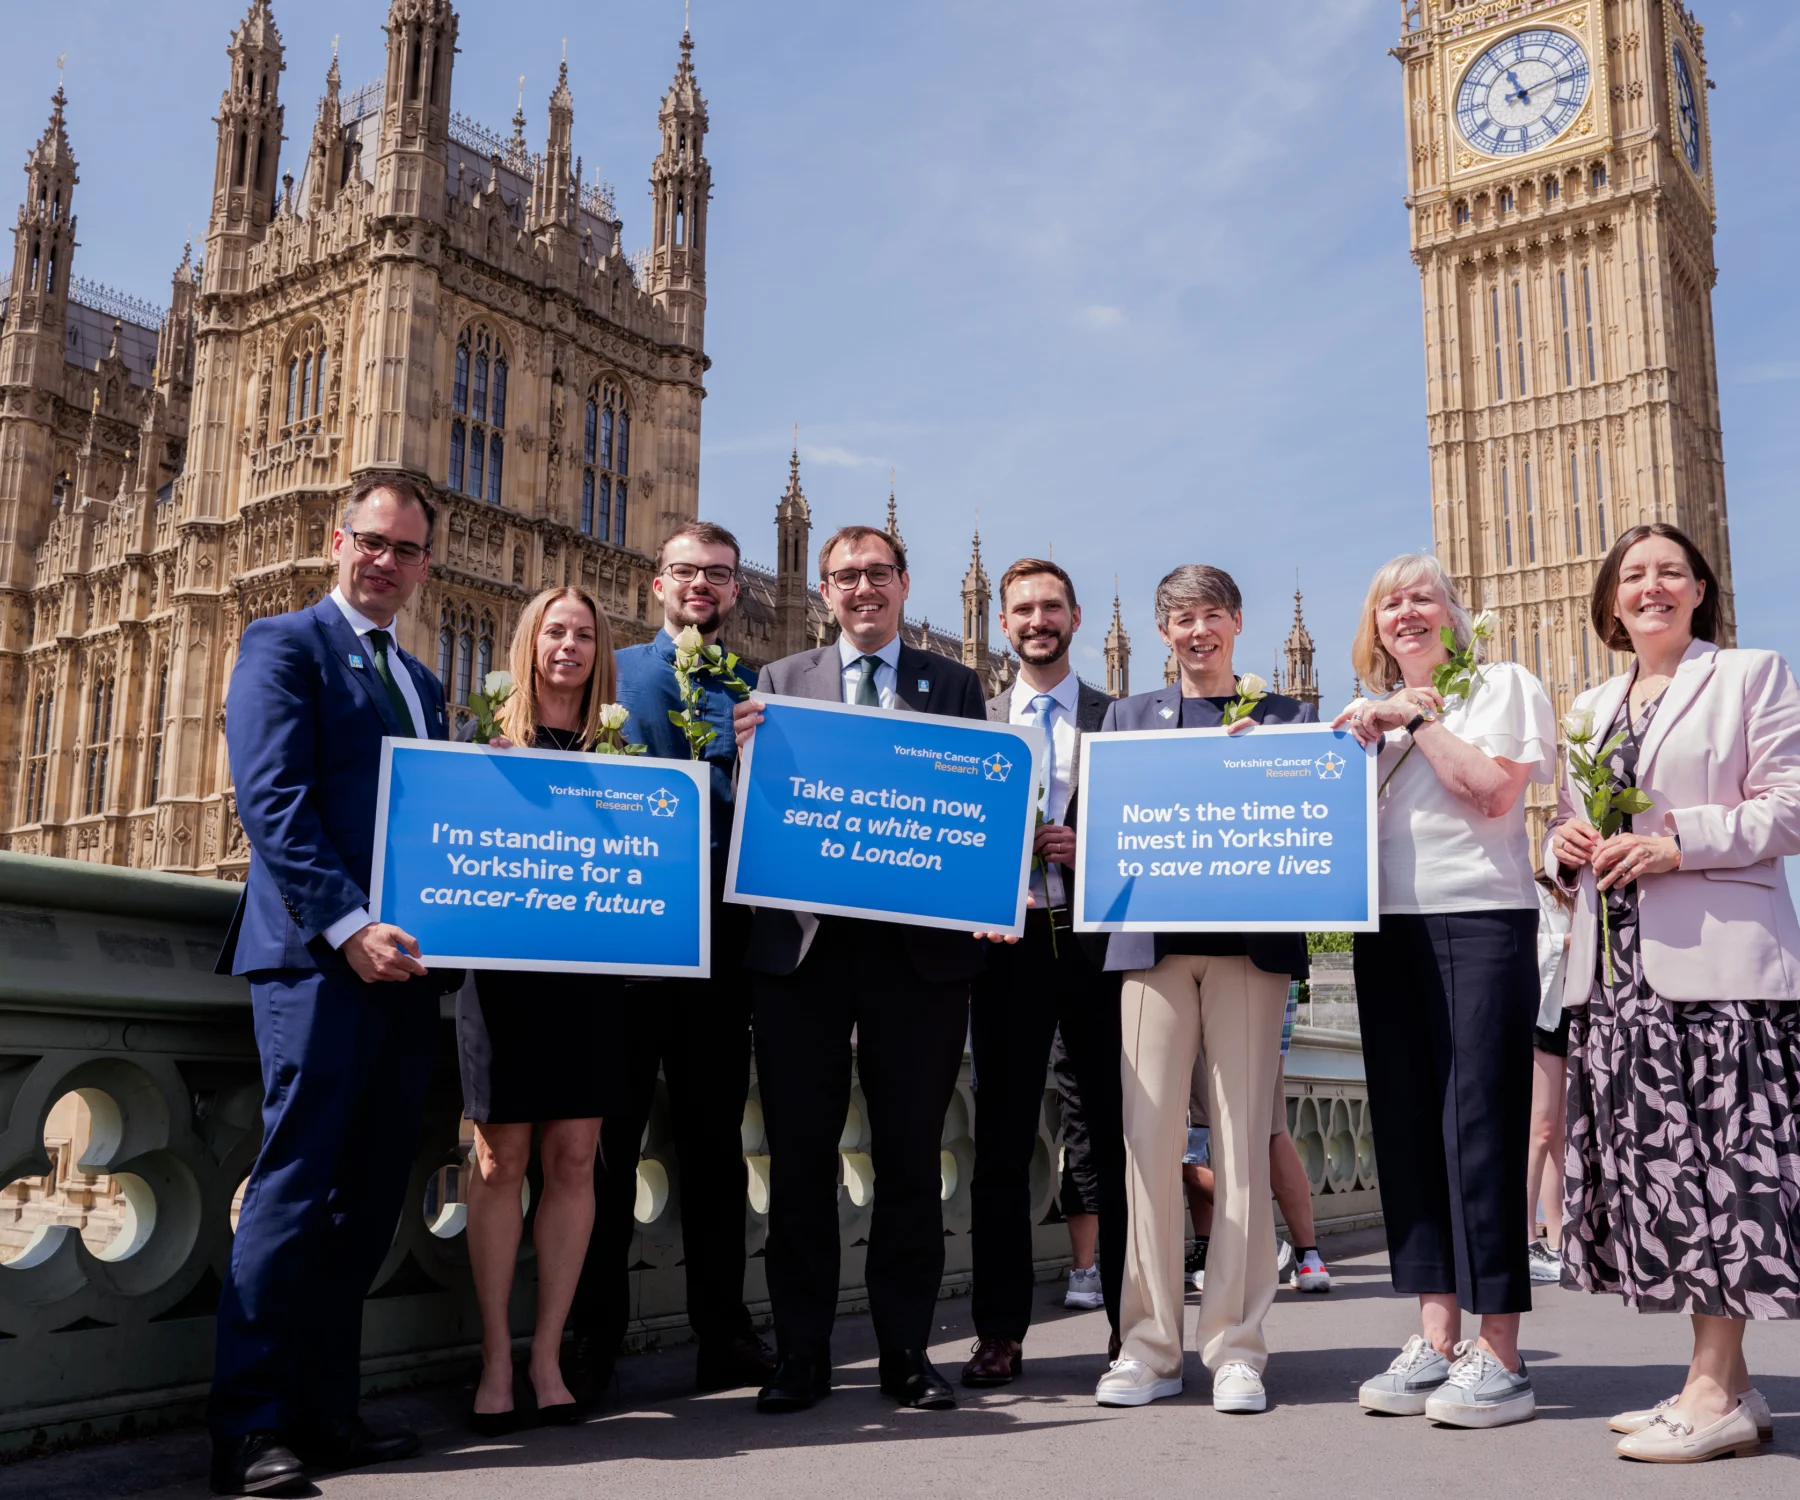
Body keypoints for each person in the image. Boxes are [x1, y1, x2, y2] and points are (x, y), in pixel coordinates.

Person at [209, 475, 457, 1496]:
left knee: (366, 1198)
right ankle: (246, 1429)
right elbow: (272, 802)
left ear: (426, 564)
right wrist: (349, 927)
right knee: (295, 1187)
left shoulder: (424, 682)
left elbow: (437, 822)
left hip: (403, 972)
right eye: (372, 542)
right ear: (335, 541)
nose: (386, 561)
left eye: (406, 549)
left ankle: (326, 1412)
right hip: (316, 961)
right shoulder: (283, 643)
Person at [1547, 523, 1800, 1463]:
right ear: (1612, 602)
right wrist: (1559, 847)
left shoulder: (1748, 674)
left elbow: (1793, 802)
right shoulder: (1591, 703)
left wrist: (1676, 841)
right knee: (1669, 1181)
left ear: (1700, 589)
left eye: (1670, 573)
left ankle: (1708, 1389)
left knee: (1722, 1178)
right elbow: (1574, 822)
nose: (1651, 588)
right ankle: (1731, 1389)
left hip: (1720, 971)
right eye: (1633, 576)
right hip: (1617, 977)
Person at [732, 524, 986, 1414]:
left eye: (878, 573)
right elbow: (757, 811)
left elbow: (976, 807)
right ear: (824, 588)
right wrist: (742, 751)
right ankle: (801, 1354)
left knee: (912, 1158)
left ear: (904, 584)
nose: (863, 588)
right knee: (799, 1159)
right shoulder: (776, 682)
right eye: (846, 577)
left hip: (915, 958)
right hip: (804, 953)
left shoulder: (952, 684)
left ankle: (906, 1354)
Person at [1334, 552, 1554, 1430]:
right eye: (1390, 603)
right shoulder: (1359, 716)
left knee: (1480, 1128)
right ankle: (1436, 1337)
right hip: (1383, 929)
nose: (1406, 613)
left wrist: (1415, 719)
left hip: (1478, 921)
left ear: (1454, 614)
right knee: (1407, 1130)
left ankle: (1500, 1353)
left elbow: (1494, 792)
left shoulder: (1500, 683)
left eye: (1423, 597)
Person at [1093, 565, 1315, 1417]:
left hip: (1248, 956)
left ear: (1237, 625)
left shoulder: (1288, 718)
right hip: (1150, 951)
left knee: (1240, 1149)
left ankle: (1235, 1347)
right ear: (1160, 634)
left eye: (1211, 617)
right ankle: (1148, 1346)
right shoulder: (1125, 717)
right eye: (1181, 620)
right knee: (1146, 1144)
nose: (1197, 633)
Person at [571, 522, 773, 1399]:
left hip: (722, 954)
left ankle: (723, 1331)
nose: (701, 587)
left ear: (735, 591)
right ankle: (592, 1338)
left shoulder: (760, 692)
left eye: (717, 576)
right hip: (624, 946)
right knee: (604, 1148)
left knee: (714, 1146)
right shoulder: (611, 672)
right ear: (657, 583)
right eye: (686, 572)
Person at [455, 587, 620, 1433]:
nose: (569, 646)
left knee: (575, 1160)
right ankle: (493, 1358)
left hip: (589, 979)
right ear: (529, 643)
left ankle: (547, 1357)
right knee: (497, 1162)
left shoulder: (622, 752)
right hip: (503, 980)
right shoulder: (481, 742)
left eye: (584, 634)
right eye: (555, 632)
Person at [961, 559, 1126, 1388]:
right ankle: (999, 1330)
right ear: (999, 620)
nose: (1037, 620)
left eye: (1051, 607)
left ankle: (1134, 1328)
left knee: (1117, 1136)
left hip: (1096, 952)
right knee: (999, 1146)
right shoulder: (975, 721)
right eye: (1022, 608)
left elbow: (1152, 834)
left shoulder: (1120, 718)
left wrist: (1085, 849)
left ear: (1076, 616)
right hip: (1007, 948)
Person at [1182, 986, 1332, 1296]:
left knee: (1193, 1137)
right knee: (1271, 1129)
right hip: (1275, 981)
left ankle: (1259, 1241)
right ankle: (1309, 1259)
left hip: (1219, 978)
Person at [1526, 873, 1572, 1287]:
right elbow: (1526, 948)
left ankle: (1557, 1239)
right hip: (1541, 1015)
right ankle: (1524, 1239)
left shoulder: (1580, 896)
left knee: (1559, 1134)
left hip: (1570, 1014)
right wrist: (1566, 944)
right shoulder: (1534, 891)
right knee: (1538, 1130)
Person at [1049, 1029, 1106, 1312]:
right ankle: (1133, 1273)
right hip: (1126, 1003)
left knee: (1079, 1136)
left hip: (1071, 1005)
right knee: (1131, 1141)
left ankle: (1082, 1272)